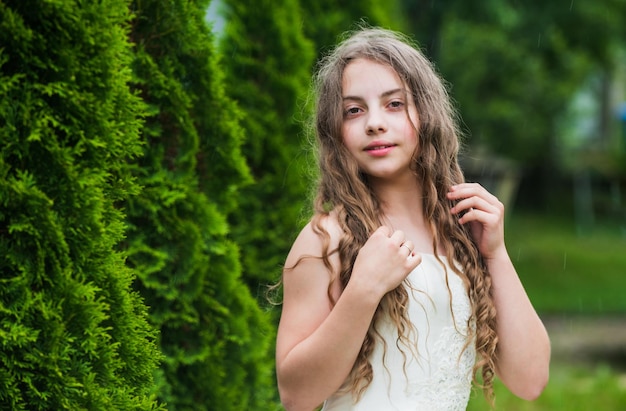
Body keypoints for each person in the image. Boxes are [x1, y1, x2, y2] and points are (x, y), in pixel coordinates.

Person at [275, 26, 550, 411]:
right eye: (354, 110)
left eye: (394, 104)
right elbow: (296, 396)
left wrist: (496, 255)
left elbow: (530, 379)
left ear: (427, 113)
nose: (374, 122)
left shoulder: (461, 232)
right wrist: (363, 290)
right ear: (335, 131)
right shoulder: (326, 238)